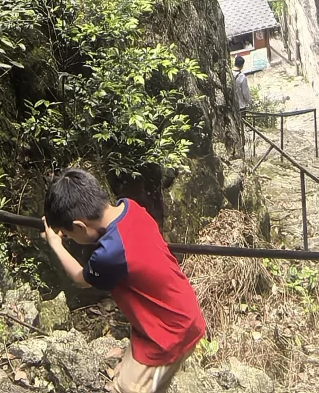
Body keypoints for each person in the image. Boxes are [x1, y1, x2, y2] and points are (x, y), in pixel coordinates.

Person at [41, 167, 206, 393]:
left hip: (168, 333)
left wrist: (56, 244)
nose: (69, 239)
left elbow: (82, 278)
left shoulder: (111, 254)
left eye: (70, 235)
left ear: (80, 225)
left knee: (126, 388)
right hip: (176, 311)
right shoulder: (131, 208)